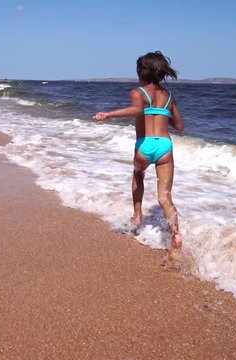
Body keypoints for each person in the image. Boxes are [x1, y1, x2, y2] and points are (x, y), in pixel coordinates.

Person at [93, 51, 185, 258]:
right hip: (165, 146)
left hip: (144, 146)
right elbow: (179, 126)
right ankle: (176, 234)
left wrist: (108, 114)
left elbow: (136, 110)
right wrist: (163, 114)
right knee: (165, 197)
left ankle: (137, 216)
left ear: (142, 73)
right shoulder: (169, 96)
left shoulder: (138, 92)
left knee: (138, 174)